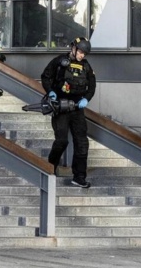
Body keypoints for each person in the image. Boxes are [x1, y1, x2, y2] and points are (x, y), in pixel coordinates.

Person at [41, 37, 96, 188]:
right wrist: (51, 92)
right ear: (73, 48)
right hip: (61, 107)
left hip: (77, 108)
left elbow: (92, 86)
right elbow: (45, 77)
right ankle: (50, 167)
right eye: (80, 52)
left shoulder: (86, 66)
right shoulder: (60, 61)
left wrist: (86, 99)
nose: (82, 55)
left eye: (84, 53)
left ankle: (79, 177)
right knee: (62, 141)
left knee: (82, 143)